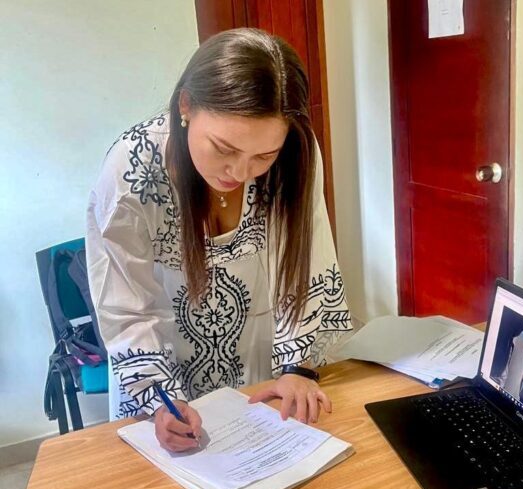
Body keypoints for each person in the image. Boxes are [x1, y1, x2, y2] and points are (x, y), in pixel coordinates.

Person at [86, 29, 352, 452]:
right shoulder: (132, 169)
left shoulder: (293, 152)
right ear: (186, 106)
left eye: (262, 157)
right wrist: (160, 398)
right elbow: (125, 301)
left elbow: (307, 259)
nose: (240, 171)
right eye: (224, 148)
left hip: (259, 352)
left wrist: (298, 367)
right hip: (162, 358)